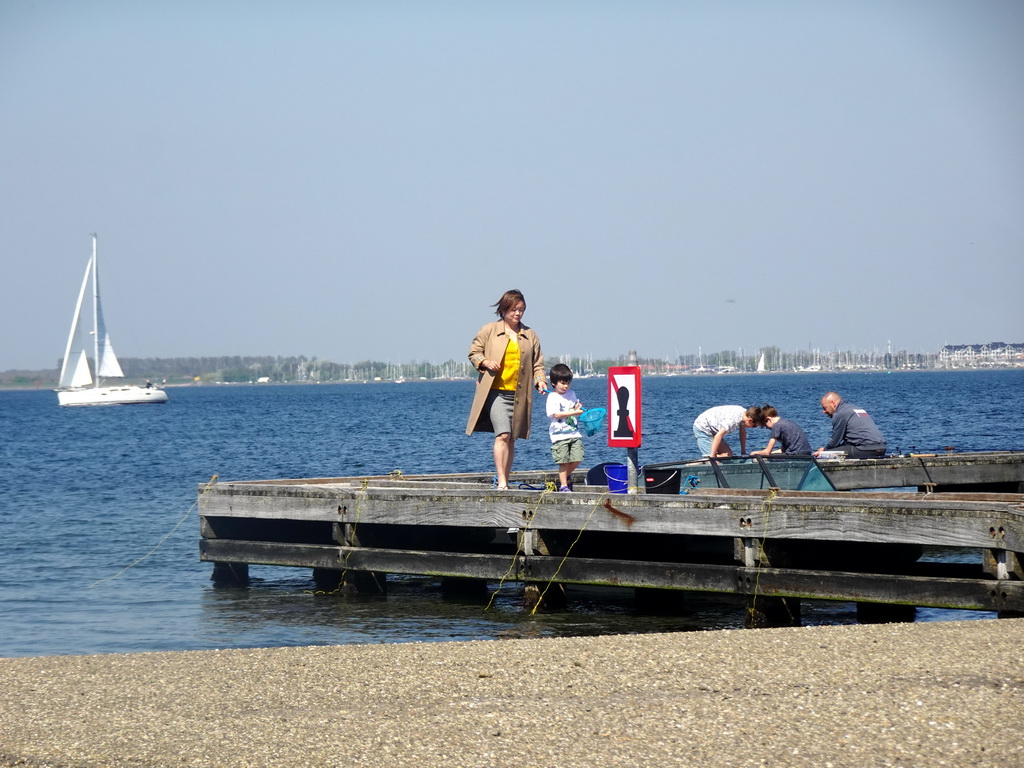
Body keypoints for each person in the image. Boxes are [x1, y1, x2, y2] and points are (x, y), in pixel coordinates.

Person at [465, 289, 547, 489]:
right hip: (496, 393)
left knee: (511, 438)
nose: (517, 314)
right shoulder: (489, 330)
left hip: (519, 395)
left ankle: (506, 478)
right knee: (502, 434)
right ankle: (501, 480)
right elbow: (473, 353)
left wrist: (540, 380)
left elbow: (538, 363)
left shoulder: (530, 335)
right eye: (513, 310)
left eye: (521, 310)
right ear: (504, 310)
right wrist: (484, 361)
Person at [545, 363, 584, 492]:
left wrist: (577, 408)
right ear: (554, 383)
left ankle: (565, 476)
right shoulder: (552, 397)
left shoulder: (571, 394)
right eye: (562, 383)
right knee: (563, 461)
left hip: (574, 433)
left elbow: (573, 408)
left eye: (567, 383)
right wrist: (574, 412)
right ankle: (563, 485)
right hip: (559, 435)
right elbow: (556, 414)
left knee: (578, 458)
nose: (565, 386)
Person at [815, 391, 887, 458]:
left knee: (823, 456)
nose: (824, 411)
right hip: (881, 448)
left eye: (825, 408)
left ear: (833, 403)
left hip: (866, 449)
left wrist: (824, 451)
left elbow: (835, 441)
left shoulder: (840, 413)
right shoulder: (855, 409)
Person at [692, 405, 764, 458]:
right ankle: (694, 464)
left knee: (728, 456)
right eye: (754, 426)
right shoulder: (732, 421)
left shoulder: (744, 414)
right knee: (711, 460)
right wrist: (712, 457)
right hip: (702, 428)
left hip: (714, 429)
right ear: (750, 420)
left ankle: (710, 457)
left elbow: (742, 433)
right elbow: (718, 436)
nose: (752, 428)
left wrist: (743, 452)